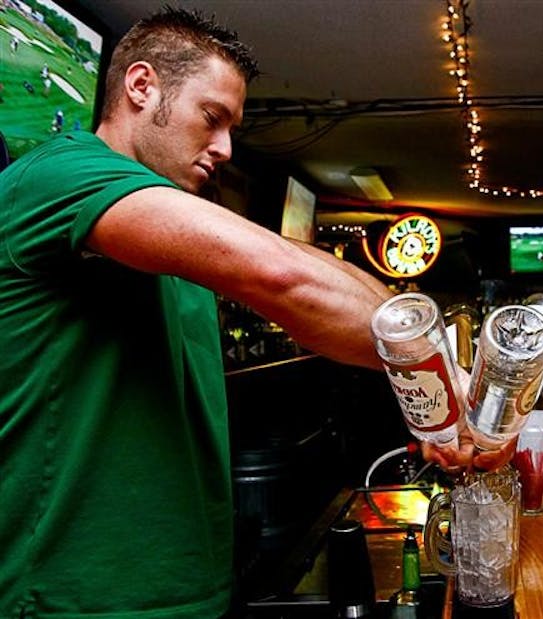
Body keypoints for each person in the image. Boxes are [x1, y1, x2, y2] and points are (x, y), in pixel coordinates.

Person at [0, 8, 398, 617]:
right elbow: (284, 276)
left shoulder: (168, 221)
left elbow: (296, 260)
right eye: (212, 118)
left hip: (186, 587)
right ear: (141, 86)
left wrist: (429, 373)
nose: (225, 148)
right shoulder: (60, 174)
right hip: (73, 596)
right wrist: (440, 383)